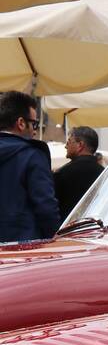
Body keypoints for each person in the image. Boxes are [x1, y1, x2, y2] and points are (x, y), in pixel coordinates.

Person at [0, 90, 61, 243]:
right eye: (34, 123)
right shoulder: (32, 154)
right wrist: (55, 238)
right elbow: (46, 206)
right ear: (21, 123)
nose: (35, 130)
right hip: (25, 248)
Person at [54, 126, 104, 221]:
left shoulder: (62, 173)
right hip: (98, 229)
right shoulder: (105, 174)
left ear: (80, 145)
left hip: (69, 230)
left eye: (69, 142)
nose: (65, 146)